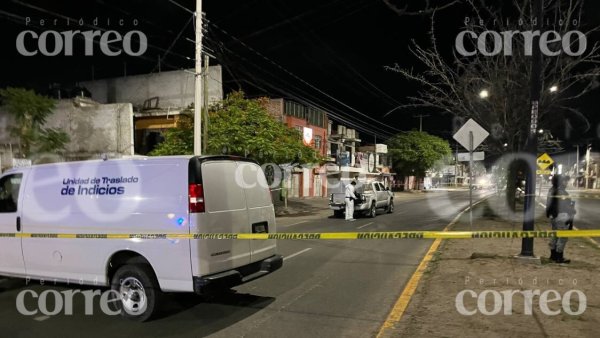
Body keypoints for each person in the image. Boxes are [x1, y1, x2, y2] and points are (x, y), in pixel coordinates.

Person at [546, 175, 576, 263]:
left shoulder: (551, 190)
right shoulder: (562, 192)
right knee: (562, 237)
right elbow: (565, 206)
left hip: (553, 217)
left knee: (555, 236)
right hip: (562, 216)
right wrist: (573, 210)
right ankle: (559, 257)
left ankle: (553, 256)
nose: (566, 183)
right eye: (564, 181)